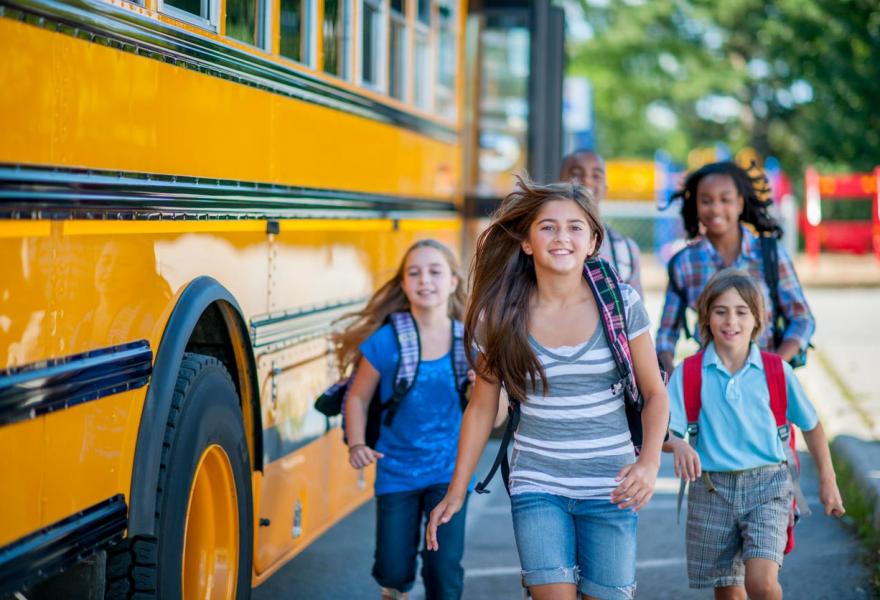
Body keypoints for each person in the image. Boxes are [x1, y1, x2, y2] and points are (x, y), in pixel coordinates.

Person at [426, 178, 669, 600]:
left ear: (593, 241)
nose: (562, 237)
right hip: (538, 485)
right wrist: (456, 490)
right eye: (548, 227)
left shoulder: (621, 304)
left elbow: (655, 393)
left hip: (612, 486)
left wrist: (648, 464)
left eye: (575, 228)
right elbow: (483, 409)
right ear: (526, 242)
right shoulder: (500, 315)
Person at [664, 268, 844, 599]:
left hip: (769, 486)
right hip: (711, 489)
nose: (731, 321)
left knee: (760, 583)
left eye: (741, 312)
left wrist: (828, 481)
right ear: (706, 317)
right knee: (729, 592)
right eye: (720, 311)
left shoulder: (777, 371)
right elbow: (665, 433)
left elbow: (811, 425)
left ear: (757, 320)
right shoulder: (689, 373)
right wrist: (678, 445)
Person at [339, 239, 476, 600]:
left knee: (443, 570)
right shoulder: (387, 341)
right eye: (413, 273)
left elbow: (495, 416)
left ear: (453, 282)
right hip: (396, 471)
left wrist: (481, 389)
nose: (424, 280)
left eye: (435, 271)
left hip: (449, 473)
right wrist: (356, 443)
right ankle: (394, 589)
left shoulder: (470, 343)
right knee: (394, 567)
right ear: (402, 284)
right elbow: (357, 396)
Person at [656, 161, 814, 375]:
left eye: (725, 199)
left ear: (740, 203)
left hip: (766, 386)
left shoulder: (770, 254)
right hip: (709, 386)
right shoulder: (684, 263)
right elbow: (666, 334)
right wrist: (671, 375)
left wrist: (773, 367)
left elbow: (802, 318)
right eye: (706, 200)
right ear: (695, 205)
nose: (716, 208)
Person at [560, 149, 643, 296]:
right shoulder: (541, 242)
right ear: (558, 182)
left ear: (605, 188)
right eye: (576, 173)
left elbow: (634, 313)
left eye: (596, 175)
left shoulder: (625, 250)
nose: (587, 180)